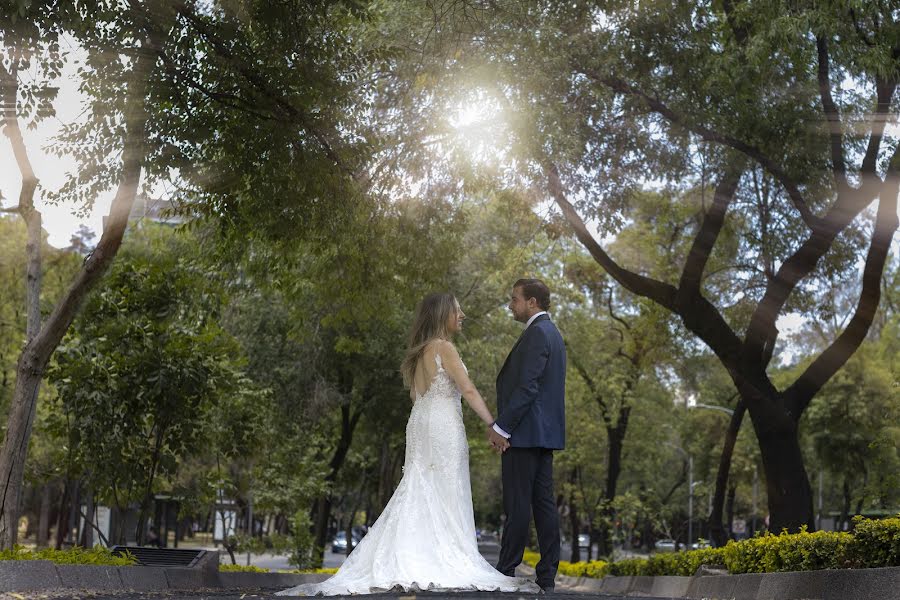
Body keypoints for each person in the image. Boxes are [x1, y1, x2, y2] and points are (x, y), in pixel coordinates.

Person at [277, 292, 539, 596]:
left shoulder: (418, 354)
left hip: (419, 422)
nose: (462, 315)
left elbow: (416, 398)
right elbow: (467, 390)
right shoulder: (444, 348)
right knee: (444, 486)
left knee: (419, 483)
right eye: (457, 311)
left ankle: (411, 554)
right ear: (443, 315)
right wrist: (495, 426)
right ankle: (440, 556)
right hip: (442, 423)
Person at [487, 278, 566, 593]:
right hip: (543, 436)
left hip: (524, 433)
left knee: (518, 505)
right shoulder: (553, 334)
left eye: (514, 299)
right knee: (543, 504)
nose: (510, 304)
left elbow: (528, 387)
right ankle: (546, 576)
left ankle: (505, 572)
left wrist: (502, 427)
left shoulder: (537, 334)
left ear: (532, 302)